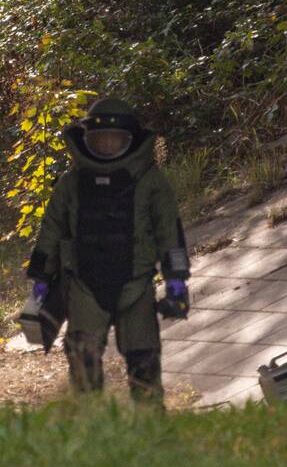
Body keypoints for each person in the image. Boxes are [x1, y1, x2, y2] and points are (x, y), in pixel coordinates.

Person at [26, 97, 191, 404]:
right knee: (82, 356)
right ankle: (90, 422)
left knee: (144, 360)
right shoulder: (71, 183)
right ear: (87, 140)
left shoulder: (151, 182)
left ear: (130, 141)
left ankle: (150, 425)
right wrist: (40, 279)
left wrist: (177, 280)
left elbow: (170, 233)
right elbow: (51, 231)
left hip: (136, 284)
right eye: (99, 139)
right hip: (85, 284)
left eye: (114, 140)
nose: (106, 146)